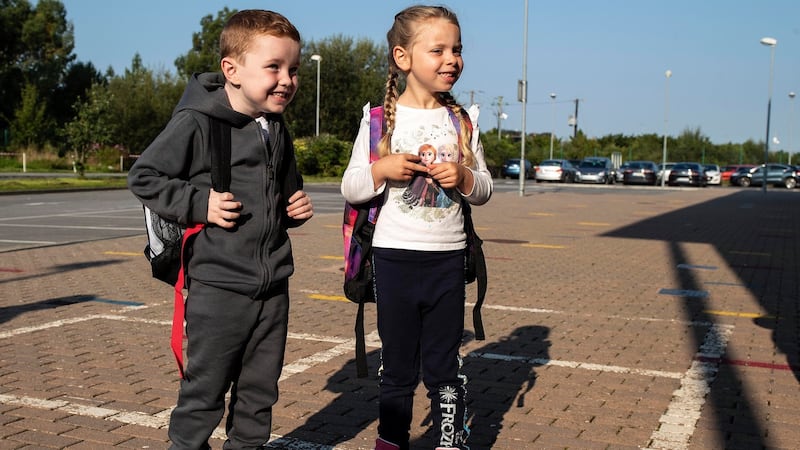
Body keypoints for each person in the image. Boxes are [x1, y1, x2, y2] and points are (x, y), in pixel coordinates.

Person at [127, 10, 313, 449]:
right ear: (232, 70)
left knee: (259, 396)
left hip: (273, 287)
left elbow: (277, 192)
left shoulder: (275, 126)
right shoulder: (196, 121)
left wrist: (293, 208)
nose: (286, 79)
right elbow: (145, 177)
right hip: (219, 287)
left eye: (294, 69)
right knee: (204, 395)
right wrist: (200, 204)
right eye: (274, 67)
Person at [340, 5, 492, 450]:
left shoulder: (463, 121)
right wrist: (382, 169)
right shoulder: (378, 121)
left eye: (457, 50)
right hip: (392, 260)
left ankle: (450, 439)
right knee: (398, 364)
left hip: (448, 260)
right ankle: (391, 440)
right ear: (403, 58)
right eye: (439, 50)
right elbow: (352, 187)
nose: (452, 60)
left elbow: (483, 188)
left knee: (445, 363)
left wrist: (464, 177)